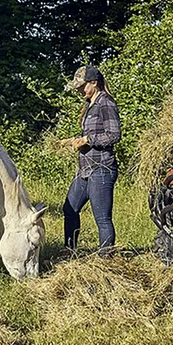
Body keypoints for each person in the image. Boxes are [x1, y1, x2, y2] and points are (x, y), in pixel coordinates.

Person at [61, 64, 122, 255]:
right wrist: (72, 141)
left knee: (102, 219)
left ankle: (105, 259)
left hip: (102, 168)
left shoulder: (106, 103)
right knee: (70, 209)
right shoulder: (89, 105)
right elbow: (92, 134)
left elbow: (114, 135)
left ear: (94, 83)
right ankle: (70, 251)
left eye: (82, 86)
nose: (79, 90)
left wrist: (88, 139)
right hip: (85, 170)